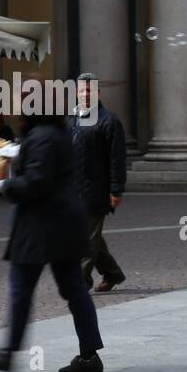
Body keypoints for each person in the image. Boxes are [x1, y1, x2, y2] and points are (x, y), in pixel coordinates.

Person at [0, 96, 106, 372]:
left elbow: (37, 182)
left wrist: (2, 184)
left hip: (42, 226)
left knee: (22, 289)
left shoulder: (43, 137)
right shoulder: (57, 133)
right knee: (74, 289)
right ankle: (89, 355)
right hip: (62, 224)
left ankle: (8, 353)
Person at [70, 72, 127, 292]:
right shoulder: (72, 118)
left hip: (96, 191)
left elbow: (117, 158)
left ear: (98, 93)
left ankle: (80, 282)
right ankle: (112, 273)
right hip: (73, 190)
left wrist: (116, 189)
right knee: (91, 237)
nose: (85, 94)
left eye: (90, 90)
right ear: (76, 92)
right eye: (82, 89)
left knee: (87, 239)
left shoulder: (109, 120)